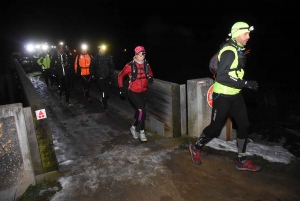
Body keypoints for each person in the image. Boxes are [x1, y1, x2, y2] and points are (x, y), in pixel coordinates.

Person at [189, 22, 262, 172]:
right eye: (246, 34)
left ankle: (241, 160)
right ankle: (195, 147)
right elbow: (222, 77)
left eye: (249, 34)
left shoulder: (238, 48)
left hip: (235, 95)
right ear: (237, 34)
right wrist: (246, 83)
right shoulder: (230, 51)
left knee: (244, 125)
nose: (248, 37)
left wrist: (241, 84)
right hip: (222, 95)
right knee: (215, 128)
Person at [118, 46, 154, 142]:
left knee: (139, 112)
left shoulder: (146, 64)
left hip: (143, 92)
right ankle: (141, 131)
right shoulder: (129, 66)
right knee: (143, 111)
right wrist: (121, 88)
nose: (143, 55)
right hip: (133, 92)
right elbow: (120, 76)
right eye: (141, 54)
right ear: (136, 55)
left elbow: (150, 73)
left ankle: (133, 128)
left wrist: (150, 77)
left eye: (144, 53)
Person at [90, 44, 115, 115]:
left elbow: (112, 65)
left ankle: (103, 99)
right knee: (104, 93)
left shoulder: (108, 56)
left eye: (103, 49)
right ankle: (106, 108)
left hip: (107, 77)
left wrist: (111, 72)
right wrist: (93, 75)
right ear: (99, 49)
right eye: (101, 49)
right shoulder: (95, 58)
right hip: (99, 78)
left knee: (108, 93)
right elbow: (92, 67)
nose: (102, 50)